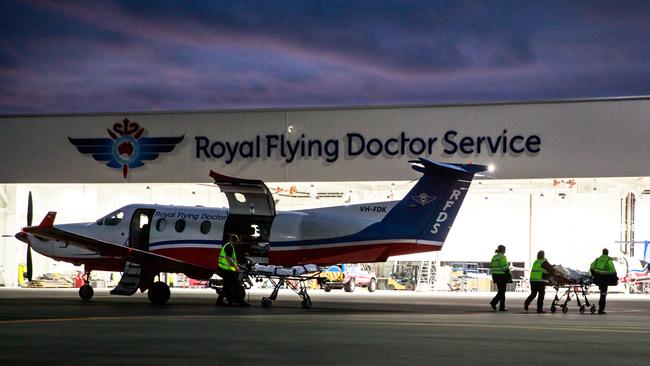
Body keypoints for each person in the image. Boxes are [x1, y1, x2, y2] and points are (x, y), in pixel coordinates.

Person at [217, 234, 248, 306]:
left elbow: (233, 260)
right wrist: (236, 267)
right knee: (236, 286)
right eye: (237, 240)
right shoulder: (229, 247)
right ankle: (241, 302)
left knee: (226, 287)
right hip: (228, 270)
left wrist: (240, 266)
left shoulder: (228, 246)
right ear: (236, 240)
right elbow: (229, 259)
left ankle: (219, 302)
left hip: (225, 269)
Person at [590, 248, 617, 314]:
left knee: (602, 293)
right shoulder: (608, 261)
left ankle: (600, 308)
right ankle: (601, 309)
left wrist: (595, 274)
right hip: (605, 280)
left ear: (602, 253)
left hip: (597, 279)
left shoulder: (597, 260)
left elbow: (591, 267)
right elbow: (613, 271)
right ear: (607, 253)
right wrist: (615, 279)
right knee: (603, 294)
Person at [490, 245, 511, 312]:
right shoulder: (502, 257)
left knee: (501, 291)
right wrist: (509, 275)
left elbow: (492, 266)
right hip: (501, 276)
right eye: (504, 249)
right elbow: (504, 267)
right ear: (502, 250)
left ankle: (501, 307)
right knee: (502, 291)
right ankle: (494, 302)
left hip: (495, 275)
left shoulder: (494, 257)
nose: (505, 251)